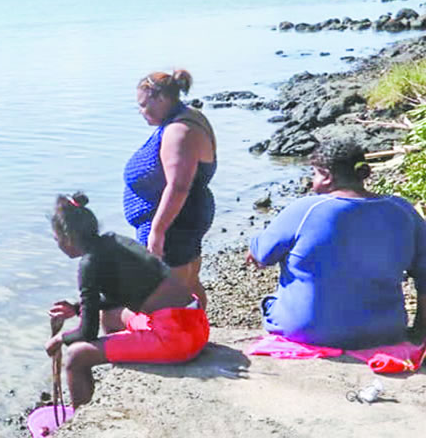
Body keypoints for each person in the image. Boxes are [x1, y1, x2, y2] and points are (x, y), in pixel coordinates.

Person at [248, 139, 425, 349]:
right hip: (384, 331)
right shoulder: (402, 211)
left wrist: (255, 249)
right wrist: (421, 329)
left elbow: (262, 255)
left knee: (272, 299)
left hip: (307, 332)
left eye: (314, 173)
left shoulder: (306, 209)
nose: (312, 180)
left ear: (326, 176)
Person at [47, 192, 209, 407]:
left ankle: (77, 428)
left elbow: (87, 332)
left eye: (57, 239)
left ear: (68, 239)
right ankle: (124, 359)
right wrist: (77, 309)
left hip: (177, 339)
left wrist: (59, 339)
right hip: (196, 325)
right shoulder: (115, 242)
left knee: (76, 356)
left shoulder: (89, 264)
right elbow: (122, 296)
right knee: (112, 315)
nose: (57, 243)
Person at [123, 69, 217, 308]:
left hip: (175, 224)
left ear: (161, 98)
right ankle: (198, 334)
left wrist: (157, 230)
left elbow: (179, 186)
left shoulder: (179, 131)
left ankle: (181, 340)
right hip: (184, 218)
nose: (141, 112)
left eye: (144, 105)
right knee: (189, 283)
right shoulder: (188, 116)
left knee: (164, 294)